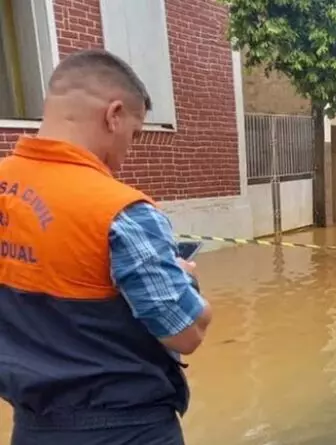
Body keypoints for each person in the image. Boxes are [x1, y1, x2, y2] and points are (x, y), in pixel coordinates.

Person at [0, 49, 212, 444]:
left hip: (31, 429)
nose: (127, 153)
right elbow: (185, 333)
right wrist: (186, 281)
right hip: (127, 430)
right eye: (134, 134)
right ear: (114, 115)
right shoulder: (121, 211)